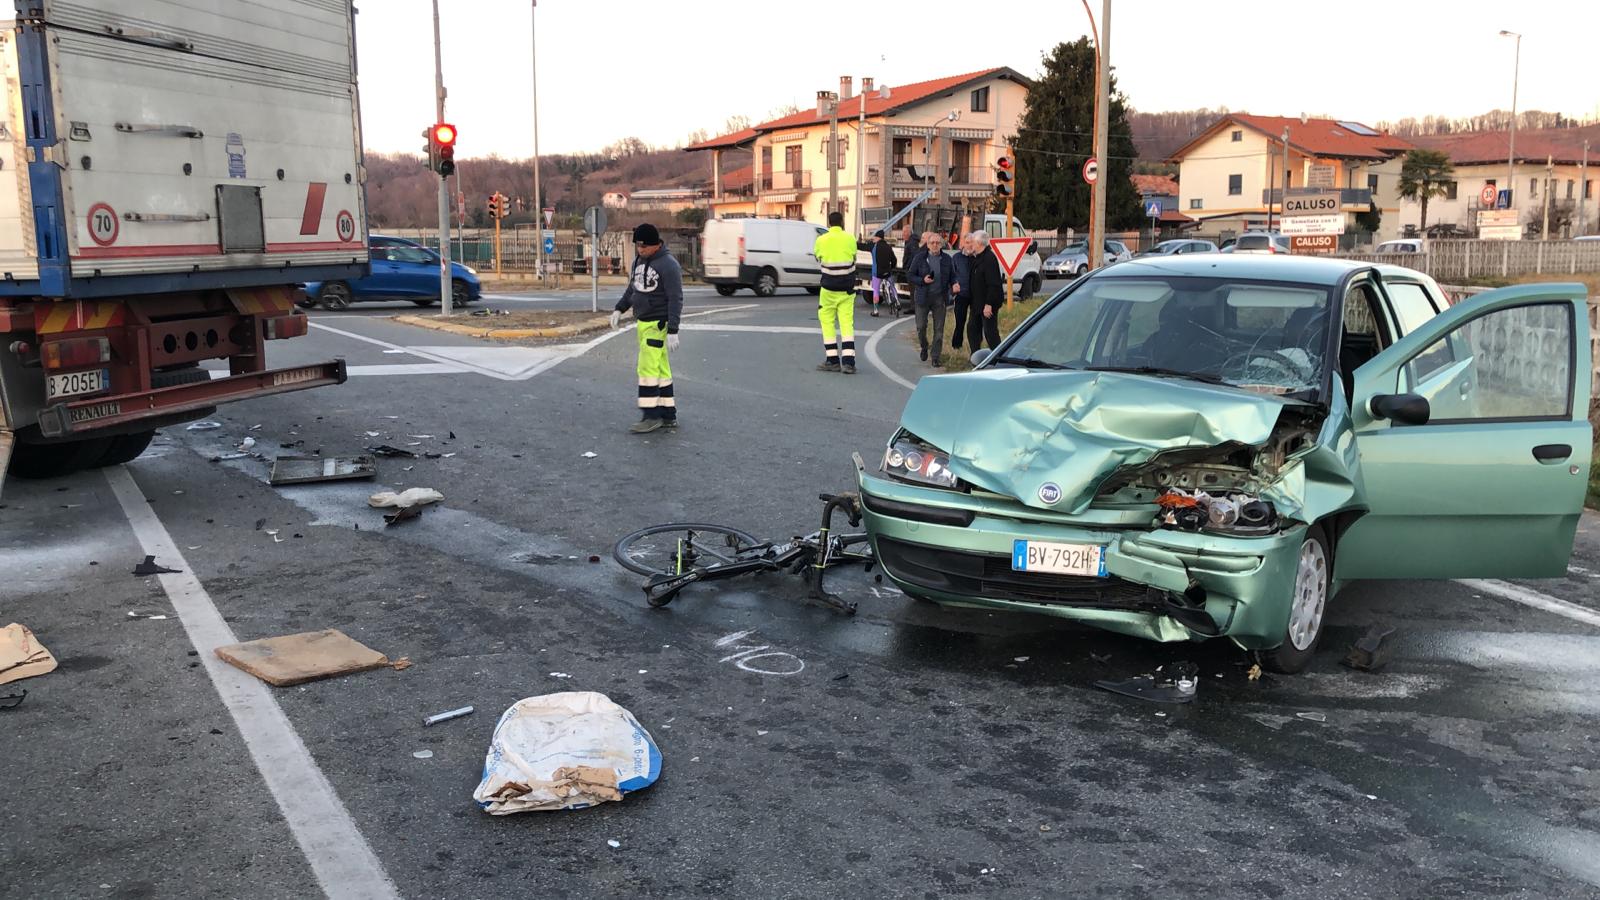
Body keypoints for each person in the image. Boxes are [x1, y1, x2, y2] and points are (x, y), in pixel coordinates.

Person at [610, 223, 683, 433]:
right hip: (643, 322)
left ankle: (650, 416)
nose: (640, 249)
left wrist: (673, 330)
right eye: (637, 246)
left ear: (655, 245)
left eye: (644, 246)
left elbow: (675, 298)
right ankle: (668, 415)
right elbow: (633, 289)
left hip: (657, 323)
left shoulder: (668, 265)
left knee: (647, 370)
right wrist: (619, 309)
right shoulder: (637, 262)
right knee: (661, 371)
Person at [812, 210, 858, 374]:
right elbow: (853, 256)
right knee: (846, 323)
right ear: (842, 222)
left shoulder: (821, 240)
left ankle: (832, 360)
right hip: (847, 288)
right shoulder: (850, 238)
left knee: (827, 322)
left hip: (828, 288)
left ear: (829, 223)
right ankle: (848, 362)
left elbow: (818, 258)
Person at [908, 232, 954, 366]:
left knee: (939, 330)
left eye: (937, 243)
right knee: (921, 327)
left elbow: (952, 275)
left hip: (940, 298)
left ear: (941, 245)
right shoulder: (920, 258)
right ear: (927, 245)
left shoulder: (946, 259)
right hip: (923, 297)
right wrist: (922, 280)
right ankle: (924, 346)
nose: (935, 245)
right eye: (932, 243)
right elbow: (910, 275)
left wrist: (955, 283)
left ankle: (935, 357)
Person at [966, 229, 1003, 353]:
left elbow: (993, 283)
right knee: (972, 329)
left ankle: (998, 357)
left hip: (987, 304)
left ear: (979, 243)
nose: (971, 245)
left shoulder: (989, 258)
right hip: (976, 303)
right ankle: (975, 356)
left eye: (973, 242)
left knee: (990, 333)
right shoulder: (976, 258)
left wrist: (989, 304)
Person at [949, 233, 974, 350]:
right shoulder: (956, 258)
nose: (970, 245)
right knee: (960, 322)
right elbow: (951, 276)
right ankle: (956, 346)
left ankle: (974, 347)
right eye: (968, 242)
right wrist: (953, 288)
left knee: (974, 324)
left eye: (972, 243)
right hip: (961, 294)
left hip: (975, 295)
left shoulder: (977, 257)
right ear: (963, 243)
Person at [868, 230, 897, 318]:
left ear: (878, 238)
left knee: (876, 290)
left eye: (875, 238)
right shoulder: (888, 247)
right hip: (888, 272)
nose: (873, 239)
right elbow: (894, 260)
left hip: (877, 273)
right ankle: (897, 303)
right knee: (892, 287)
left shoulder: (874, 246)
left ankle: (876, 310)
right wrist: (892, 267)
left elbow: (862, 246)